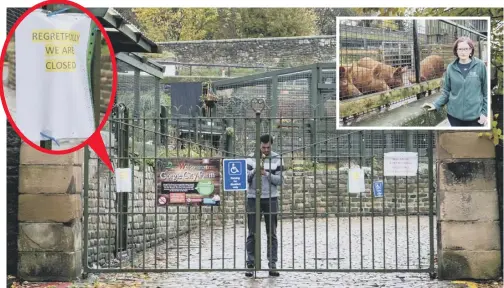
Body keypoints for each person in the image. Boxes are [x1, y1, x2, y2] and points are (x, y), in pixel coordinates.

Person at [422, 36, 488, 127]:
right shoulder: (451, 68)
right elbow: (446, 91)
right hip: (454, 117)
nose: (463, 52)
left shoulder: (480, 66)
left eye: (466, 49)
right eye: (460, 49)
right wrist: (436, 104)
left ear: (471, 50)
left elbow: (486, 92)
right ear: (456, 51)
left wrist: (485, 113)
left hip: (475, 117)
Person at [245, 134, 283, 277]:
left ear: (271, 145)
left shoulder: (277, 158)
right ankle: (250, 264)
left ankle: (272, 264)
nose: (265, 150)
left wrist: (266, 174)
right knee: (252, 232)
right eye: (263, 147)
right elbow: (246, 178)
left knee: (271, 233)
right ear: (259, 145)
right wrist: (256, 169)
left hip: (271, 198)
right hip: (253, 198)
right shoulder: (250, 157)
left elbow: (280, 180)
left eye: (268, 147)